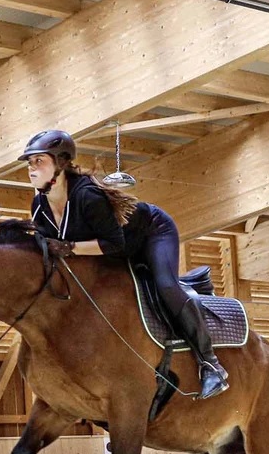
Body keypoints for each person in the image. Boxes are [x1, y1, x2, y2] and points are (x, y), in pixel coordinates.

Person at [20, 130, 228, 399]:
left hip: (152, 234)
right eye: (29, 163)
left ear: (60, 164)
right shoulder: (39, 206)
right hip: (109, 253)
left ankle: (210, 364)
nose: (31, 169)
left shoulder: (87, 197)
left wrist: (71, 248)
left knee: (165, 285)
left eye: (39, 161)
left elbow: (114, 243)